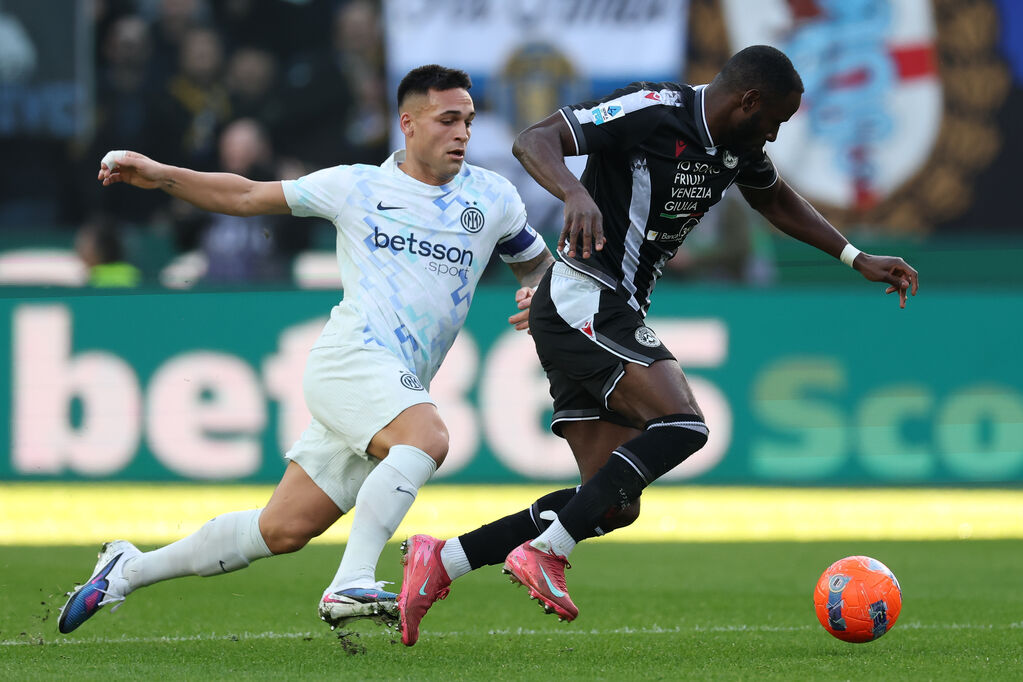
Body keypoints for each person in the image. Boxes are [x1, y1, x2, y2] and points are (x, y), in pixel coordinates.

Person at [396, 45, 919, 645]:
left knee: (610, 503)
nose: (773, 135)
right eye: (774, 120)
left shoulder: (739, 147)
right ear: (747, 100)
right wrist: (575, 192)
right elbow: (534, 140)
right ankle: (548, 551)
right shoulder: (654, 110)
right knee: (684, 425)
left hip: (600, 307)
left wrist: (854, 257)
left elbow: (773, 198)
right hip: (586, 295)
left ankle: (444, 560)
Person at [57, 64, 555, 635]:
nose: (463, 132)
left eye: (467, 120)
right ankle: (350, 582)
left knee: (282, 530)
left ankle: (126, 569)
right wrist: (162, 174)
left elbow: (535, 262)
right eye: (448, 120)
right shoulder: (357, 187)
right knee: (428, 438)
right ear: (408, 124)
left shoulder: (491, 196)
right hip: (352, 360)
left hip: (393, 382)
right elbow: (245, 195)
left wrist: (539, 289)